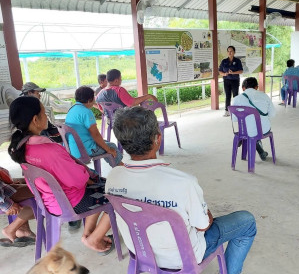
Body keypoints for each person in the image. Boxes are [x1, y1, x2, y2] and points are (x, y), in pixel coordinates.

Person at [106, 107, 257, 274]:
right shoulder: (183, 183)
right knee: (247, 221)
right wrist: (206, 212)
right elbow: (204, 226)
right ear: (158, 138)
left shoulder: (113, 177)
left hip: (141, 253)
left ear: (122, 142)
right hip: (183, 259)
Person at [8, 96, 114, 253]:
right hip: (71, 202)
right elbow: (77, 180)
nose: (47, 117)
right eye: (44, 113)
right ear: (36, 119)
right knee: (116, 194)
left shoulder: (22, 149)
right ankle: (94, 239)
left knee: (101, 185)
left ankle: (88, 234)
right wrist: (85, 173)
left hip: (49, 202)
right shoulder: (50, 150)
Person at [65, 86, 123, 167]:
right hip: (85, 149)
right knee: (111, 146)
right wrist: (108, 149)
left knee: (105, 142)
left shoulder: (72, 109)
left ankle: (119, 165)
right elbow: (95, 134)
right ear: (89, 100)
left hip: (73, 149)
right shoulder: (86, 112)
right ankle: (120, 167)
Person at [232, 77, 276, 161]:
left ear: (243, 88)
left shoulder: (237, 99)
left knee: (249, 131)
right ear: (256, 87)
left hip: (244, 130)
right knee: (255, 130)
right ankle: (258, 146)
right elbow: (272, 114)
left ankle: (243, 138)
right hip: (263, 129)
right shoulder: (264, 96)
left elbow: (234, 119)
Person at [0, 166, 35, 247]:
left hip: (4, 188)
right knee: (42, 191)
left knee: (28, 182)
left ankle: (23, 230)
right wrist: (7, 205)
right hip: (3, 197)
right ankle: (11, 229)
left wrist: (9, 180)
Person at [219, 46, 243, 117]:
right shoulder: (224, 61)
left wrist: (233, 72)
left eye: (231, 51)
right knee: (228, 95)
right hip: (226, 80)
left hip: (235, 80)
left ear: (234, 52)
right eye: (228, 51)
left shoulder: (237, 61)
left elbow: (241, 71)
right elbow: (220, 71)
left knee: (235, 95)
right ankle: (227, 111)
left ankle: (236, 111)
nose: (230, 53)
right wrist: (224, 74)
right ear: (227, 52)